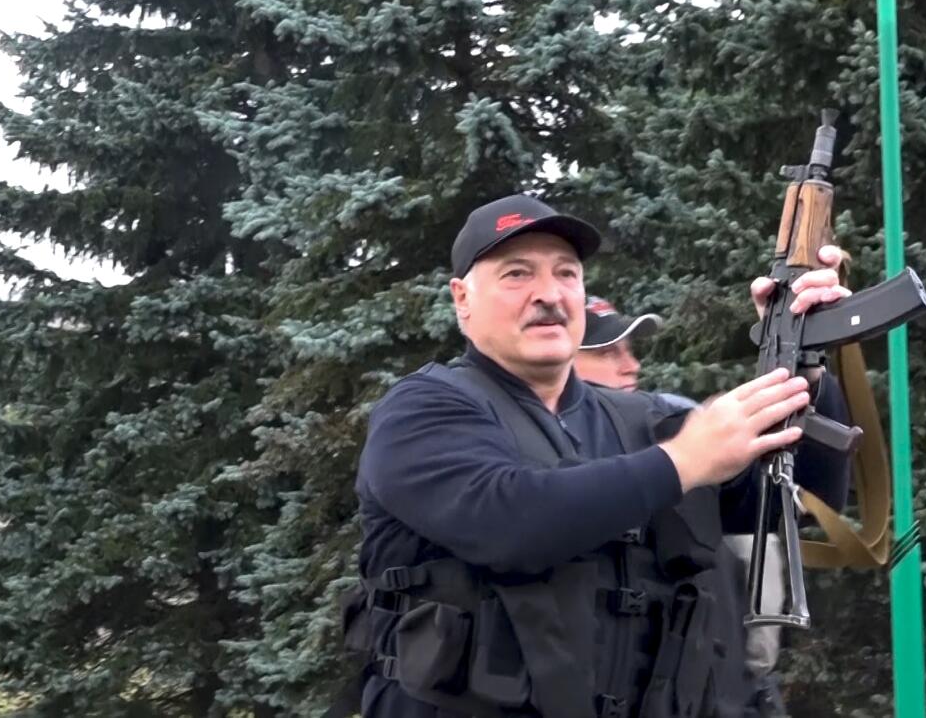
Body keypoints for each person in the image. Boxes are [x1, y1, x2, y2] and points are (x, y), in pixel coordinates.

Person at [352, 193, 852, 718]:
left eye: (566, 273)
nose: (549, 294)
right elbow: (507, 520)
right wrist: (683, 460)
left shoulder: (647, 421)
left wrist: (805, 361)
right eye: (516, 274)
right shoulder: (421, 411)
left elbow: (805, 497)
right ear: (462, 298)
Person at [573, 296, 819, 716]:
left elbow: (787, 500)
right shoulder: (540, 450)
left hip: (721, 684)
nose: (630, 364)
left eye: (630, 350)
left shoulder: (675, 419)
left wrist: (807, 363)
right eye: (608, 352)